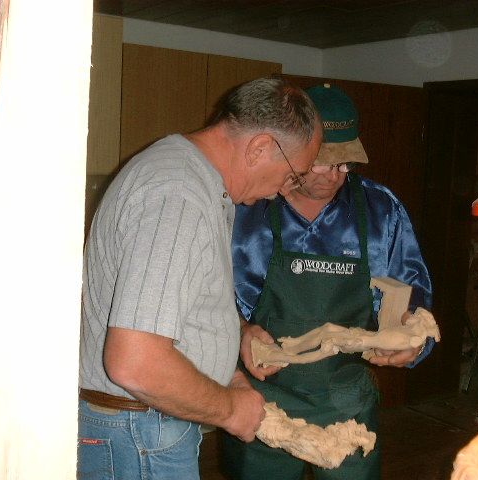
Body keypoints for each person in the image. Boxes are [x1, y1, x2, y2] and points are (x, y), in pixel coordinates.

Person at [77, 77, 323, 480]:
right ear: (260, 148)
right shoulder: (178, 194)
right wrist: (230, 409)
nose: (284, 190)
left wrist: (231, 355)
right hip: (139, 432)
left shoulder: (197, 181)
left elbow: (178, 309)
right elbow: (136, 362)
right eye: (292, 175)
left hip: (146, 425)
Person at [222, 83, 434, 480]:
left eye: (345, 164)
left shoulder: (380, 209)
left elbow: (411, 294)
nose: (333, 176)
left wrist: (412, 338)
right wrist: (238, 331)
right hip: (260, 396)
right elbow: (204, 298)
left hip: (346, 400)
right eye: (320, 162)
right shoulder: (245, 207)